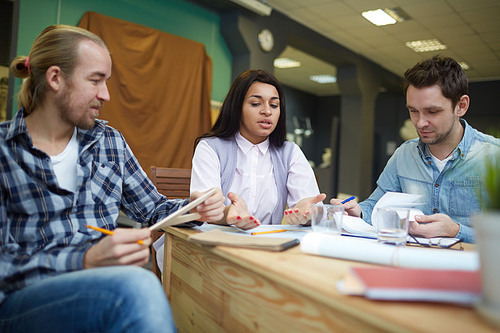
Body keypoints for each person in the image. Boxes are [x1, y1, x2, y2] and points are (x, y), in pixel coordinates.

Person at [0, 25, 225, 333]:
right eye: (96, 80)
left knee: (133, 288)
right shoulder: (4, 150)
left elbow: (153, 209)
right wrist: (84, 260)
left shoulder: (109, 141)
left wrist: (194, 208)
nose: (105, 94)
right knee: (136, 288)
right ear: (55, 78)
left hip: (103, 289)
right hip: (23, 303)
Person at [154, 70, 325, 271]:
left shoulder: (290, 152)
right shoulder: (210, 147)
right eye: (256, 103)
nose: (267, 111)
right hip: (211, 246)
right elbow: (206, 209)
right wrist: (228, 213)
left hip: (265, 248)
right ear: (237, 108)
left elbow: (311, 208)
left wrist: (308, 214)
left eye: (274, 105)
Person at [331, 55, 500, 243]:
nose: (420, 122)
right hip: (408, 262)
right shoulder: (404, 155)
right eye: (413, 110)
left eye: (432, 112)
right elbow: (375, 206)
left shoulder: (494, 157)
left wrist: (456, 230)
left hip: (474, 268)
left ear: (461, 106)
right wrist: (360, 211)